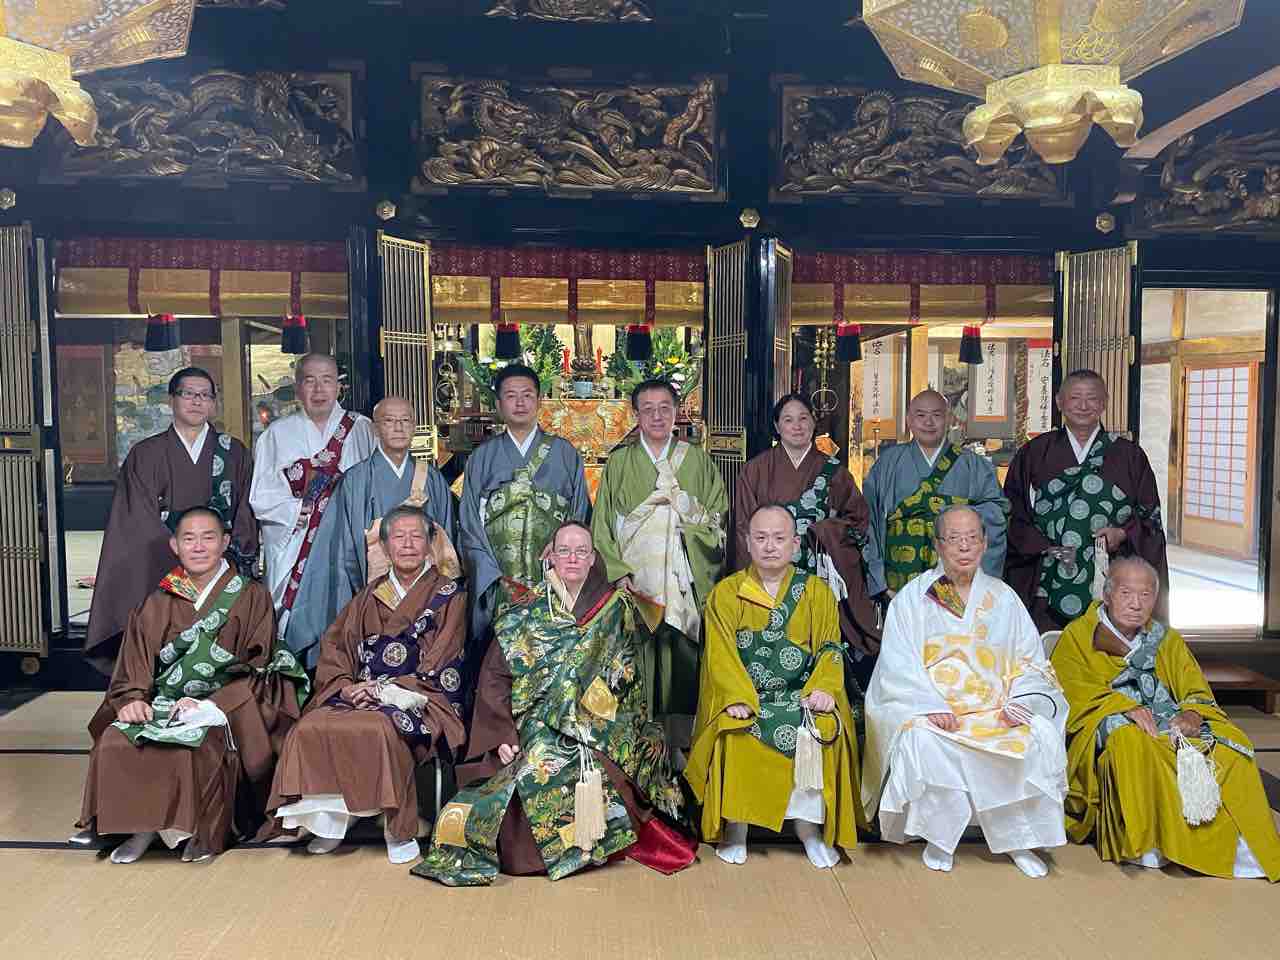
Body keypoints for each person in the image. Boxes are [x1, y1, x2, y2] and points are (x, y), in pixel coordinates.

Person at [414, 521, 694, 885]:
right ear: (551, 556)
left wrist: (580, 719)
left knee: (566, 762)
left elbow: (626, 676)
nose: (572, 558)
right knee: (530, 766)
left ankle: (584, 846)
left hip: (598, 725)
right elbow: (495, 679)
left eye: (581, 551)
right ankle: (545, 852)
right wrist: (501, 734)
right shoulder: (524, 612)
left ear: (593, 558)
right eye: (564, 551)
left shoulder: (615, 609)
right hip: (530, 722)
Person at [75, 507, 308, 863]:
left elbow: (260, 665)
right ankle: (138, 827)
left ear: (225, 542)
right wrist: (134, 697)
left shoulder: (251, 595)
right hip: (163, 701)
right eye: (189, 538)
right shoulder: (158, 600)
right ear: (175, 546)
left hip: (224, 705)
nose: (198, 547)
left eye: (208, 537)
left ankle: (190, 831)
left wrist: (211, 705)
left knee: (193, 744)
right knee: (116, 738)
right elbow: (135, 661)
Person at [863, 504, 1068, 877]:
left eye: (972, 538)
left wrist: (1021, 700)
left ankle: (1019, 840)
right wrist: (928, 705)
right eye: (954, 538)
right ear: (938, 545)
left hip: (994, 710)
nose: (964, 547)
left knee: (1034, 736)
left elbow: (1031, 660)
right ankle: (940, 838)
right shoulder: (915, 597)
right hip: (938, 711)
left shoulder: (1004, 598)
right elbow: (897, 662)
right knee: (923, 739)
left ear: (985, 543)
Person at [1052, 555, 1280, 880]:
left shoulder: (1165, 639)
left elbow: (1193, 686)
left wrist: (1191, 713)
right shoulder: (1079, 635)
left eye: (1145, 595)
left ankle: (1241, 844)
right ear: (1107, 594)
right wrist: (1121, 707)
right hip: (1111, 720)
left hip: (1167, 719)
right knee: (1129, 742)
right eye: (1126, 593)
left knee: (1233, 745)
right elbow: (1069, 690)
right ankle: (1149, 842)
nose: (1136, 604)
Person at [266, 506, 467, 864]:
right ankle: (330, 823)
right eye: (398, 537)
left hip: (418, 696)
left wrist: (385, 691)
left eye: (416, 536)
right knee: (311, 726)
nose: (408, 544)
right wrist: (345, 687)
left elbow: (444, 658)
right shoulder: (369, 595)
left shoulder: (449, 594)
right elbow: (337, 647)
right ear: (385, 547)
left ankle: (396, 828)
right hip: (360, 692)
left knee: (378, 728)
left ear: (430, 544)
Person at [685, 504, 862, 870]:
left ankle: (808, 828)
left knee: (821, 728)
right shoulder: (727, 593)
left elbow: (830, 647)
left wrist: (825, 688)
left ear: (795, 544)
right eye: (761, 538)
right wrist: (734, 697)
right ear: (747, 542)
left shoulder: (816, 592)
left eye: (779, 538)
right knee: (735, 730)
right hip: (748, 697)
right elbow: (719, 654)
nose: (769, 546)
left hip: (801, 698)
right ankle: (738, 825)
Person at [84, 367, 257, 672]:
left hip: (221, 565)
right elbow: (136, 520)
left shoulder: (233, 452)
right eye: (188, 393)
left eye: (205, 395)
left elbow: (244, 511)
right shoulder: (145, 454)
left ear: (213, 403)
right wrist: (184, 560)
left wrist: (225, 556)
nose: (197, 401)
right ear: (171, 400)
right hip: (161, 568)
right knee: (161, 640)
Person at [592, 378, 728, 749]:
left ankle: (683, 748)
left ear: (676, 411)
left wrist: (682, 521)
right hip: (635, 585)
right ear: (635, 415)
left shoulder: (697, 460)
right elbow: (602, 526)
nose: (656, 416)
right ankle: (637, 748)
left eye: (664, 408)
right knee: (636, 660)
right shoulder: (620, 462)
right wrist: (619, 574)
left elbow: (717, 520)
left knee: (683, 660)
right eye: (648, 409)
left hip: (684, 582)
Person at [735, 393, 880, 691]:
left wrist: (826, 531)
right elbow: (743, 526)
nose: (797, 426)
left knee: (820, 633)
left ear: (814, 423)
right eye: (788, 420)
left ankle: (822, 690)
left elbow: (858, 520)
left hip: (818, 572)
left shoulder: (834, 471)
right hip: (769, 571)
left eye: (803, 418)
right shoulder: (755, 470)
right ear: (777, 426)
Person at [1004, 369, 1168, 631]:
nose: (1083, 406)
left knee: (1107, 644)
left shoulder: (1129, 456)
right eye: (1075, 398)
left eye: (1091, 398)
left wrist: (1123, 534)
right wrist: (1045, 547)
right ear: (1059, 402)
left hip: (1110, 573)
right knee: (1048, 644)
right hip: (1047, 576)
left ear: (1104, 403)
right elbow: (1012, 512)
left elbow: (1150, 518)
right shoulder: (1035, 452)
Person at [249, 353, 375, 667]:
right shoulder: (276, 434)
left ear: (338, 387)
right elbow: (262, 495)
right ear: (298, 388)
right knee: (294, 623)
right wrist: (302, 511)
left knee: (349, 614)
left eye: (327, 380)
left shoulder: (362, 429)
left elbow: (373, 487)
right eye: (310, 381)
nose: (319, 389)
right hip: (297, 540)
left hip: (348, 541)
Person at [458, 363, 589, 642]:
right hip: (498, 579)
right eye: (511, 395)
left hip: (554, 576)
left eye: (527, 395)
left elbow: (579, 513)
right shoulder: (482, 457)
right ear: (498, 404)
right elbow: (470, 523)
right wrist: (490, 573)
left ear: (539, 401)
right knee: (497, 655)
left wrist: (564, 554)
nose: (520, 403)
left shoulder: (565, 453)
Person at [862, 388, 1008, 618]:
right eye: (920, 415)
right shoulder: (888, 463)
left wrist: (955, 519)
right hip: (898, 583)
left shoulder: (973, 465)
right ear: (909, 420)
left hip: (958, 585)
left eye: (937, 415)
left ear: (949, 419)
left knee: (953, 636)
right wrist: (879, 580)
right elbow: (868, 521)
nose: (928, 422)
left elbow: (997, 515)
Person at [330, 395, 458, 617]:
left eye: (405, 420)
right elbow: (344, 548)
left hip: (426, 596)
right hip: (374, 593)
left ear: (414, 427)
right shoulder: (356, 480)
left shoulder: (432, 479)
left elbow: (445, 543)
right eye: (389, 421)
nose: (399, 428)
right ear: (375, 429)